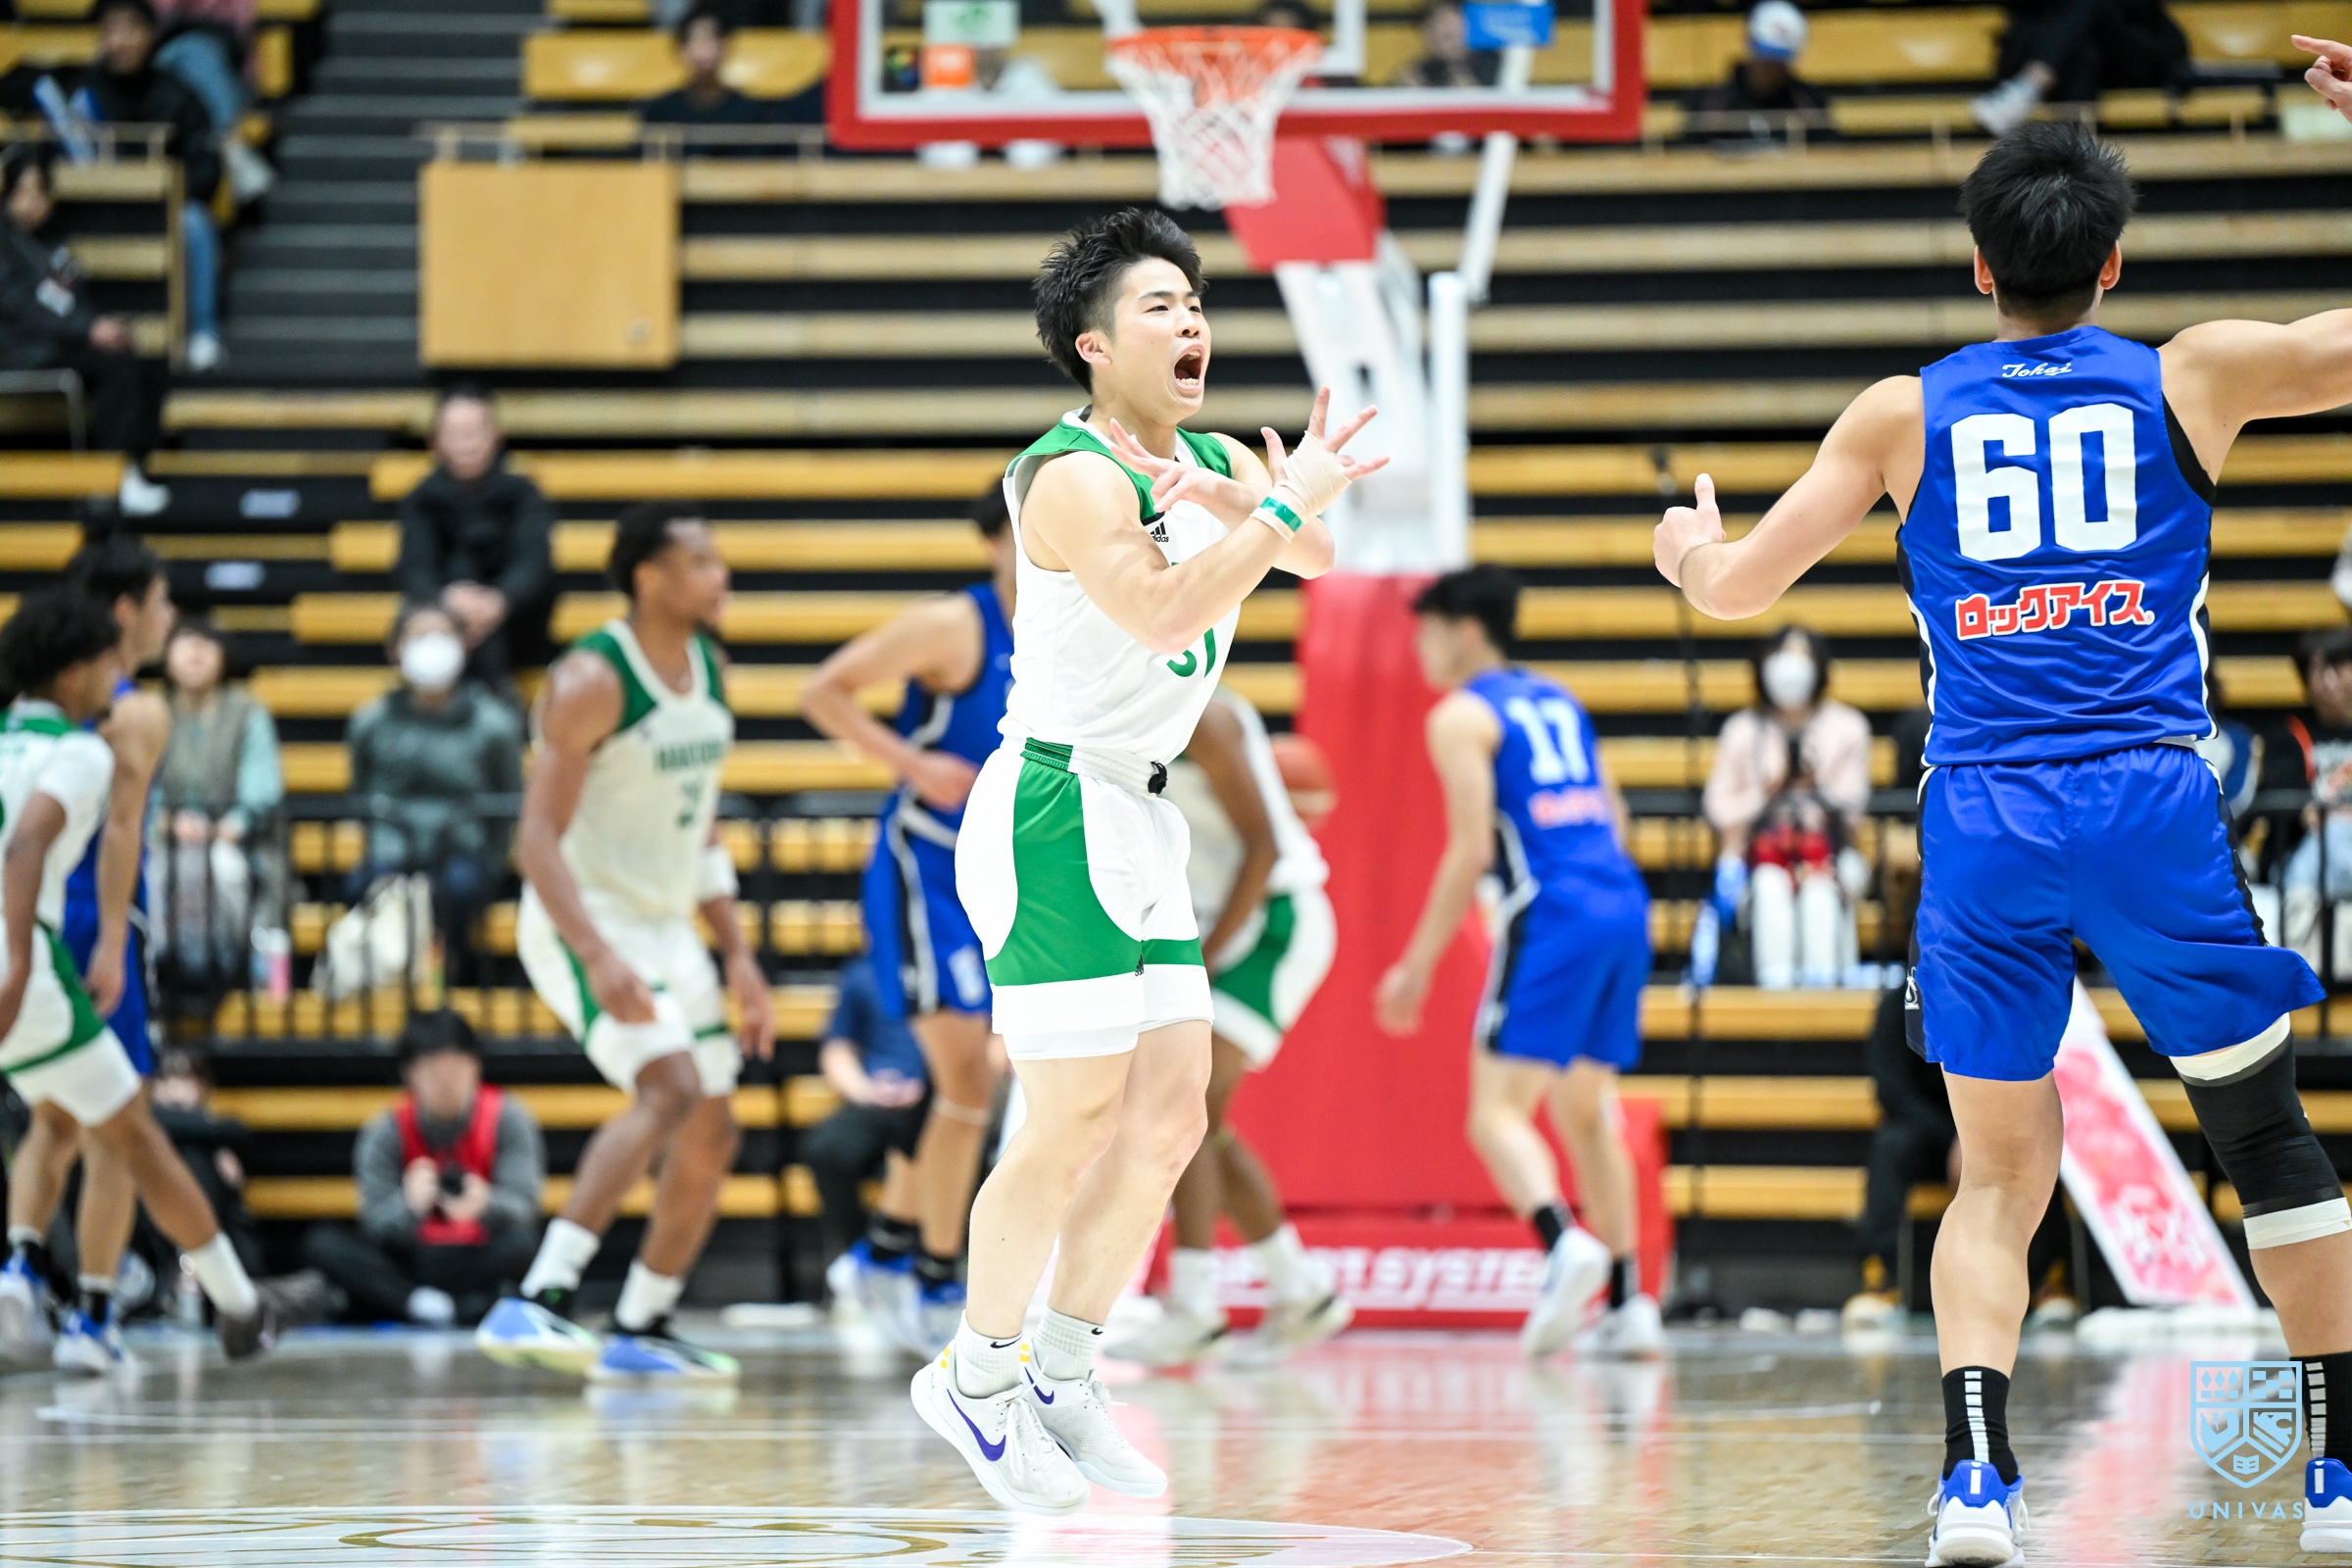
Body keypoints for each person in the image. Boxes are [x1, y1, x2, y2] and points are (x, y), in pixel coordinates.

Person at [1649, 112, 2352, 1562]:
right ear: (2113, 261)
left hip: (1984, 812)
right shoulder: (2194, 373)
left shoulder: (1902, 414)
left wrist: (1685, 552)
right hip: (2151, 800)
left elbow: (1737, 592)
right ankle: (2337, 1474)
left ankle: (1978, 1479)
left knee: (1995, 1174)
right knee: (2267, 1136)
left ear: (1979, 268)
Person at [914, 207, 1369, 1516]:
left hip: (1140, 812)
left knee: (1172, 1115)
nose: (1192, 323)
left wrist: (1259, 497)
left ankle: (1065, 1369)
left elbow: (1317, 553)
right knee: (1069, 1119)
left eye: (1197, 303)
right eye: (1160, 306)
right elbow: (1168, 609)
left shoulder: (1210, 455)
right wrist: (1275, 508)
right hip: (1053, 803)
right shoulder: (1064, 476)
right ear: (1094, 346)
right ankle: (977, 1375)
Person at [477, 503, 774, 1386]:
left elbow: (699, 821)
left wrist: (739, 954)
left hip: (666, 922)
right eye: (700, 561)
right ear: (649, 578)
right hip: (586, 917)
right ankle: (537, 1296)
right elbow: (535, 839)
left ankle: (642, 1321)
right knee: (670, 1088)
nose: (720, 576)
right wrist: (596, 953)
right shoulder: (590, 679)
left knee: (714, 1127)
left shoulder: (711, 666)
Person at [1374, 565, 1662, 1361]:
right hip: (1621, 902)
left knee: (1494, 1113)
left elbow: (1470, 849)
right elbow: (1616, 815)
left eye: (1428, 632)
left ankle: (1562, 1241)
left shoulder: (1461, 715)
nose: (1420, 650)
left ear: (1466, 631)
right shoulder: (1559, 699)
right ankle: (1630, 1304)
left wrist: (1417, 965)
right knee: (1585, 1112)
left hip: (1552, 907)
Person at [0, 590, 272, 1364]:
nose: (118, 679)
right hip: (32, 960)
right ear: (78, 671)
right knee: (135, 1139)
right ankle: (239, 1306)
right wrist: (18, 962)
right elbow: (27, 847)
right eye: (108, 666)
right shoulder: (85, 750)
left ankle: (23, 1271)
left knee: (69, 1125)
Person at [801, 487, 1014, 1354]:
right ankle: (935, 1276)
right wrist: (912, 764)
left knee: (967, 1087)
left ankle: (886, 1252)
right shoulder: (954, 625)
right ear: (998, 538)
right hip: (926, 868)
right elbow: (824, 692)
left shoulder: (1068, 627)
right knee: (967, 1082)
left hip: (1000, 875)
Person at [1117, 688, 1347, 1369]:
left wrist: (1206, 955)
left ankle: (1194, 1307)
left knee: (1176, 1110)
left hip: (1268, 921)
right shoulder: (1121, 704)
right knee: (1202, 1124)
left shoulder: (1202, 716)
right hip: (1223, 922)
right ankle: (1298, 1288)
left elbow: (1265, 846)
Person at [0, 535, 175, 1375]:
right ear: (125, 612)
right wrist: (112, 938)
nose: (170, 619)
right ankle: (96, 1314)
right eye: (163, 602)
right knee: (121, 1125)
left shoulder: (27, 708)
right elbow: (124, 830)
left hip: (20, 912)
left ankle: (22, 1265)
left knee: (54, 1117)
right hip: (86, 913)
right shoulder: (135, 709)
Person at [304, 1010, 544, 1328]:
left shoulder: (508, 1118)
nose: (446, 1083)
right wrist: (409, 1206)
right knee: (323, 1244)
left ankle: (422, 1307)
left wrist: (485, 1204)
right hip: (413, 1260)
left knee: (524, 1245)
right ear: (410, 1074)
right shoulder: (385, 1130)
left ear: (476, 1067)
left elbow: (526, 1207)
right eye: (433, 1071)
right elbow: (373, 1222)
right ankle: (435, 1306)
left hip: (478, 1254)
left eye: (456, 1069)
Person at [345, 604, 524, 987]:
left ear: (464, 647)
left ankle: (451, 982)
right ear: (395, 649)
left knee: (457, 891)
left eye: (442, 635)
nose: (432, 645)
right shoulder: (370, 722)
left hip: (463, 855)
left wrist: (492, 863)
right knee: (364, 886)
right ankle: (389, 988)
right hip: (390, 853)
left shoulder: (494, 724)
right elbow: (360, 792)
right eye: (419, 635)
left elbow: (507, 801)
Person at [0, 147, 171, 516]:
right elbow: (19, 307)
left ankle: (136, 469)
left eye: (39, 192)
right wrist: (88, 329)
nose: (31, 202)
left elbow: (73, 300)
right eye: (23, 192)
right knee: (114, 367)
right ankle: (110, 482)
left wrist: (102, 326)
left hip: (58, 342)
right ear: (7, 194)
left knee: (143, 362)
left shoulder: (51, 242)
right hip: (20, 348)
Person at [1701, 626, 1872, 988]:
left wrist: (1817, 786)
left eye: (1802, 656)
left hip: (1830, 855)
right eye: (1782, 655)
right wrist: (1766, 792)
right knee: (1767, 887)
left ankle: (1826, 990)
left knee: (1820, 894)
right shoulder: (1742, 729)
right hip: (1755, 858)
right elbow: (1718, 810)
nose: (1791, 667)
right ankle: (1774, 991)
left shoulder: (1848, 726)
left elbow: (1855, 807)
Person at [66, 0, 225, 371]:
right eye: (111, 31)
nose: (120, 41)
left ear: (150, 36)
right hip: (99, 209)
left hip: (164, 210)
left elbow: (207, 165)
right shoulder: (83, 93)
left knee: (195, 224)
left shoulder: (179, 95)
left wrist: (167, 192)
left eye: (130, 30)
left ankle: (202, 334)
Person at [151, 617, 282, 1013]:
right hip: (165, 838)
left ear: (223, 656)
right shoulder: (151, 711)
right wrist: (166, 821)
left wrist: (230, 826)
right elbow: (140, 783)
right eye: (185, 643)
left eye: (206, 645)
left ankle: (226, 964)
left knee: (223, 871)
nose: (195, 654)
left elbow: (263, 788)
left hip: (233, 840)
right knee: (156, 875)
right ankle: (162, 966)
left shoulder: (247, 712)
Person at [394, 388, 557, 690]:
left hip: (515, 622)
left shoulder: (523, 495)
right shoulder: (421, 500)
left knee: (490, 630)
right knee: (414, 620)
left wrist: (498, 602)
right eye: (455, 434)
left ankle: (498, 705)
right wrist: (446, 601)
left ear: (495, 436)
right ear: (435, 441)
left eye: (474, 432)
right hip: (441, 614)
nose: (466, 443)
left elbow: (533, 563)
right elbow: (414, 567)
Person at [801, 955, 929, 1275]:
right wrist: (866, 1090)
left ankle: (937, 1263)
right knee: (826, 1149)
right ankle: (864, 1259)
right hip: (874, 1101)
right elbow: (837, 1047)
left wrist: (937, 1088)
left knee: (955, 1154)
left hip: (939, 1104)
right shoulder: (861, 975)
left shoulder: (952, 966)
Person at [1972, 0, 2188, 133]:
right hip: (2072, 57)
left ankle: (2030, 83)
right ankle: (2075, 160)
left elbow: (2143, 11)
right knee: (2084, 54)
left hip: (2134, 55)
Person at [151, 0, 271, 203]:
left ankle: (224, 140)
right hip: (166, 75)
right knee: (191, 50)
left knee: (200, 53)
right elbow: (152, 24)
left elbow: (242, 43)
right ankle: (230, 144)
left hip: (224, 80)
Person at [1687, 0, 1831, 146]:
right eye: (1765, 56)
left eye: (1779, 61)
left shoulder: (1809, 102)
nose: (1770, 68)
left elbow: (1831, 149)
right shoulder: (1712, 103)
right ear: (1748, 41)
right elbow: (1686, 152)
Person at [642, 6, 767, 135]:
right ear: (681, 50)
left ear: (726, 47)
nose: (705, 50)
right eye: (696, 40)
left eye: (712, 39)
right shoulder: (661, 111)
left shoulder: (748, 111)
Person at [1390, 0, 1498, 87]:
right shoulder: (1421, 73)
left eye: (1448, 21)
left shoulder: (1494, 64)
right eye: (1435, 23)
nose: (1443, 28)